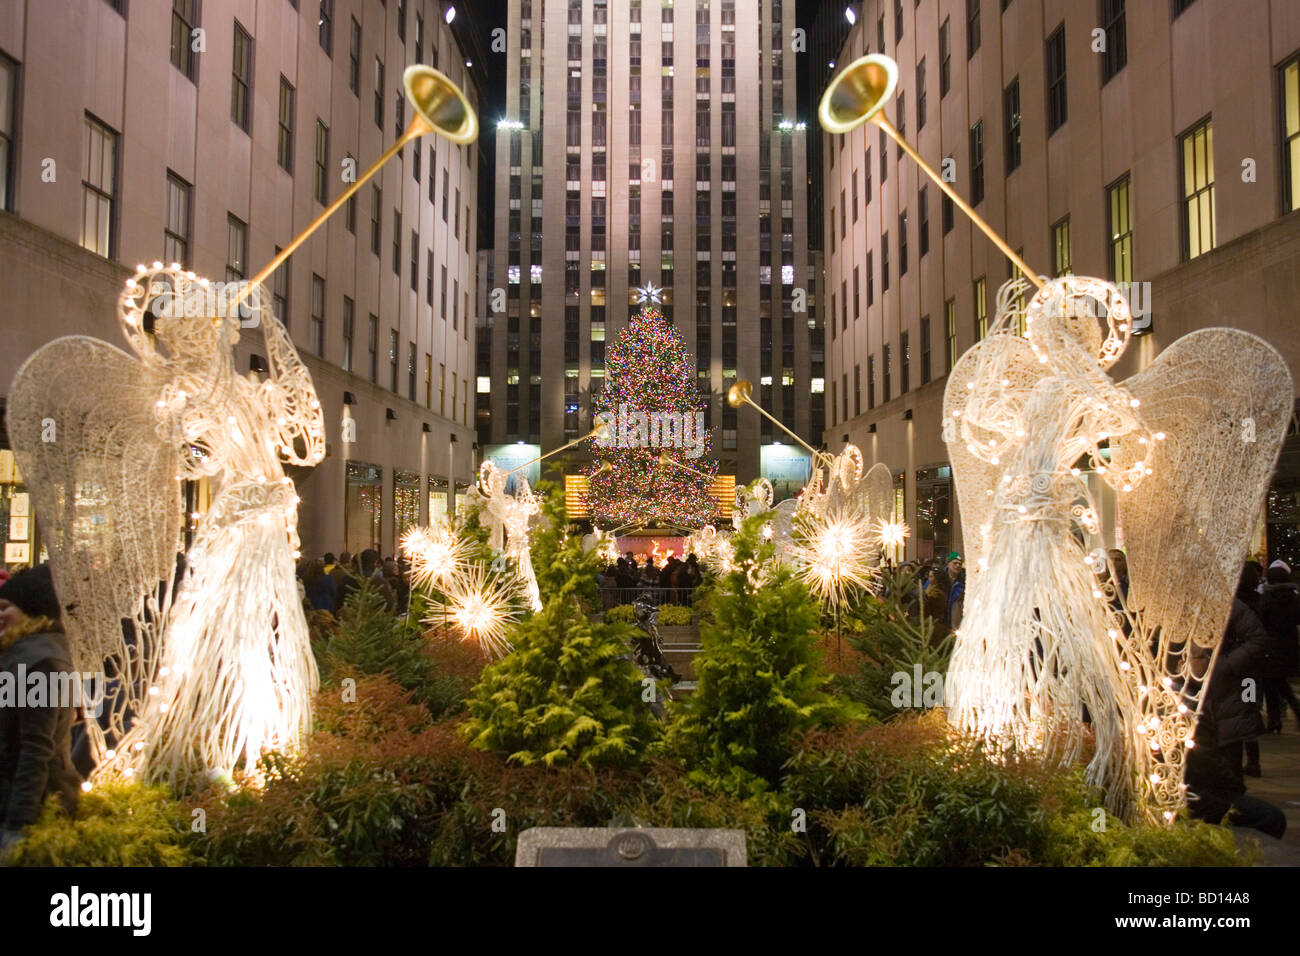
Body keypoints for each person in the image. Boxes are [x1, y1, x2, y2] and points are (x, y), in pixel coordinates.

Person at [1184, 592, 1284, 837]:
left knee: (1229, 781)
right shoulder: (1178, 603)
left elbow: (1258, 639)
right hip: (1193, 700)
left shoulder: (1227, 603)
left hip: (1226, 696)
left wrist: (1224, 666)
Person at [0, 565, 81, 861]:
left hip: (35, 807)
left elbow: (36, 749)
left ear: (32, 613)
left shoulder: (41, 663)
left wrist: (17, 826)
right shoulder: (22, 655)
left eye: (5, 608)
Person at [1259, 560, 1300, 733]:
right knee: (1280, 683)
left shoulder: (1267, 598)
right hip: (1289, 645)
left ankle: (1275, 721)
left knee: (1271, 683)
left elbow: (1262, 621)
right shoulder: (1294, 597)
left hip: (1271, 646)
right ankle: (1287, 715)